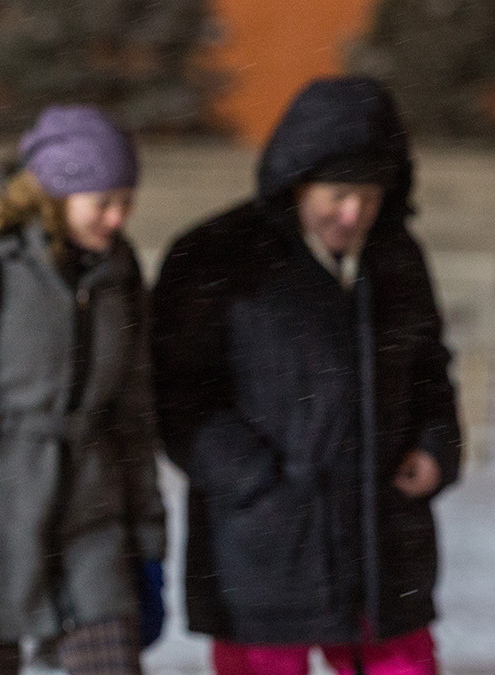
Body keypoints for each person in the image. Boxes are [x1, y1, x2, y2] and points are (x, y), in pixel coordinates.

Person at [151, 76, 463, 675]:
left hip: (382, 545)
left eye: (369, 196)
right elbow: (179, 395)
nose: (354, 213)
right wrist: (254, 480)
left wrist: (435, 447)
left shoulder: (397, 255)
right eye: (338, 194)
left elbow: (430, 367)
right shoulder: (217, 255)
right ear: (297, 181)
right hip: (263, 550)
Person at [0, 105, 167, 675]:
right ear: (55, 194)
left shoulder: (119, 271)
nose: (118, 218)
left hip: (93, 525)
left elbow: (134, 417)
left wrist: (148, 549)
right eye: (103, 202)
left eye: (127, 201)